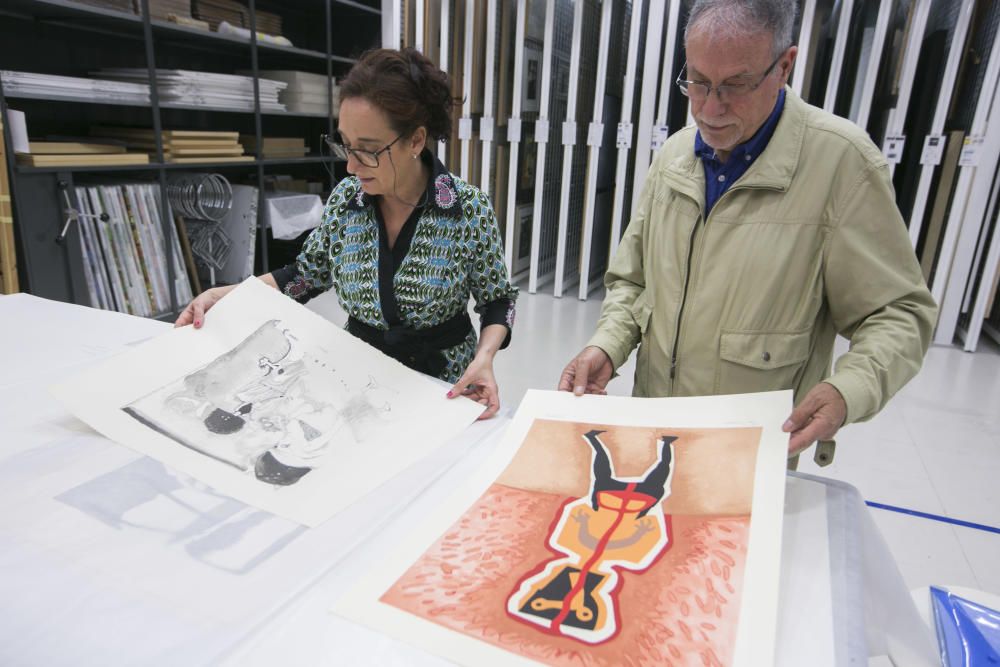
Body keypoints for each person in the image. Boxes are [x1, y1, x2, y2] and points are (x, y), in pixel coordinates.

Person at [558, 0, 937, 465]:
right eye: (696, 81)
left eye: (735, 85)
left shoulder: (843, 165)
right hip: (655, 436)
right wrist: (608, 345)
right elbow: (633, 281)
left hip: (751, 451)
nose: (710, 108)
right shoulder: (674, 157)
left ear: (784, 66)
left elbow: (898, 313)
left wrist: (848, 390)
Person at [176, 48, 517, 419]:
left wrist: (485, 360)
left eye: (368, 151)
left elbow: (498, 301)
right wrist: (227, 296)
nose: (351, 165)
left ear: (416, 141)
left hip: (445, 381)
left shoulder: (467, 209)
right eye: (345, 144)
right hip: (357, 374)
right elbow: (306, 277)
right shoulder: (345, 201)